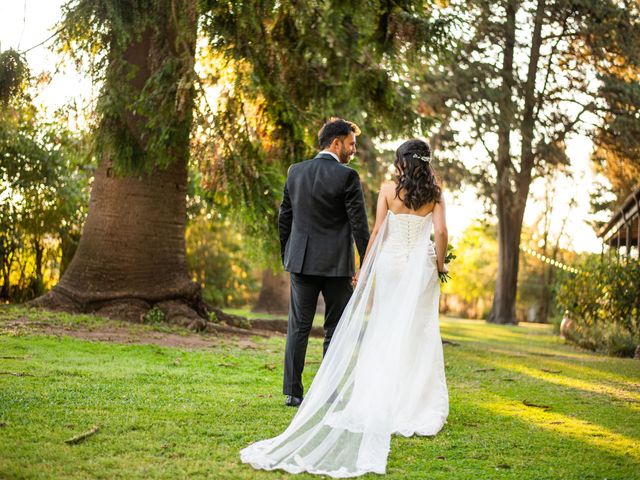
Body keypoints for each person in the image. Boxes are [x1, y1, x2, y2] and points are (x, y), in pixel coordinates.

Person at [241, 138, 449, 477]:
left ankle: (370, 397)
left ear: (402, 161)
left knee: (383, 328)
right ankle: (414, 403)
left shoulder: (387, 189)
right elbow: (440, 231)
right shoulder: (436, 194)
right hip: (420, 269)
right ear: (426, 162)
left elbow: (379, 231)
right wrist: (439, 264)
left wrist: (364, 271)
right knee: (418, 331)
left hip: (391, 266)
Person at [278, 118, 370, 408]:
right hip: (335, 265)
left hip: (301, 262)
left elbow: (285, 219)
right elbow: (359, 225)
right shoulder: (348, 177)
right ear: (336, 143)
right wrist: (366, 262)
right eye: (351, 144)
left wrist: (288, 254)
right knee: (334, 330)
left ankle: (293, 392)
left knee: (298, 327)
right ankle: (328, 393)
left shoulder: (296, 172)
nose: (353, 150)